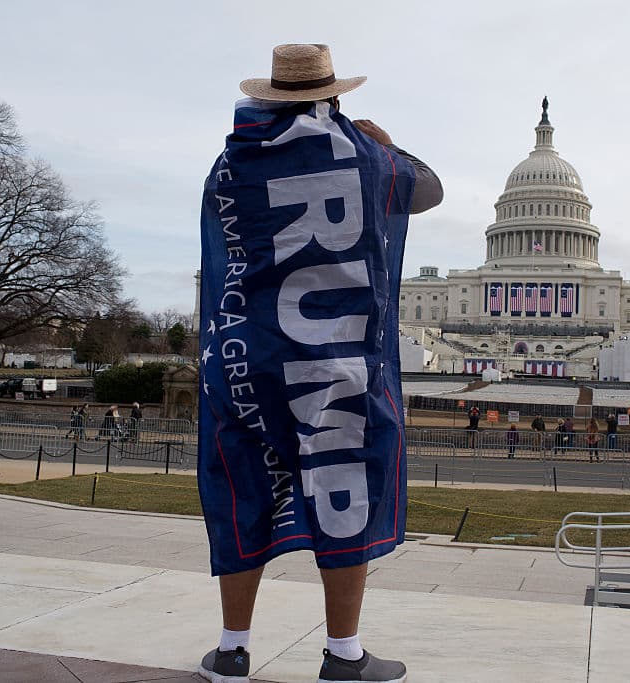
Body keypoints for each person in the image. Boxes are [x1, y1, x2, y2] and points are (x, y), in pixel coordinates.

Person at [196, 44, 442, 683]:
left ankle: (231, 650)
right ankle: (343, 654)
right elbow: (429, 191)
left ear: (270, 97)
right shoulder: (365, 157)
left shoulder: (232, 160)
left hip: (248, 358)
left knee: (243, 487)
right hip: (336, 361)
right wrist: (385, 143)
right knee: (344, 484)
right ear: (333, 95)